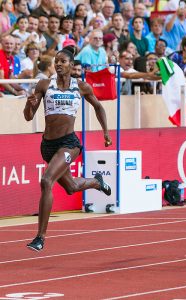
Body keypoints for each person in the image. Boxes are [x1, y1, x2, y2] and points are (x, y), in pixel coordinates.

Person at [24, 46, 112, 252]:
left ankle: (40, 237)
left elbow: (98, 107)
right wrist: (29, 105)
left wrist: (106, 132)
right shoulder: (45, 84)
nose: (59, 64)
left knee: (46, 181)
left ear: (72, 65)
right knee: (71, 187)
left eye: (63, 61)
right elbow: (28, 116)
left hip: (69, 143)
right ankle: (96, 182)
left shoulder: (81, 87)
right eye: (56, 61)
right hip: (48, 145)